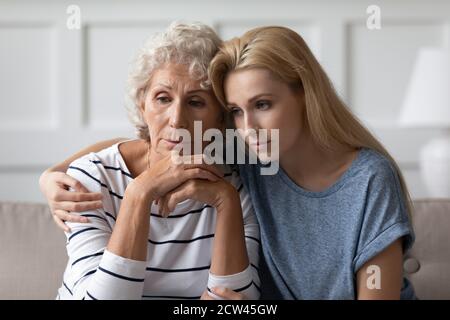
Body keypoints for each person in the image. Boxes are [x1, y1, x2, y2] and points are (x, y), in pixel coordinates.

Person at [41, 25, 415, 300]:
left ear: (305, 94)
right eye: (236, 110)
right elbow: (154, 142)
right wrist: (52, 175)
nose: (248, 126)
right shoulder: (250, 155)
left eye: (263, 104)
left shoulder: (365, 179)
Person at [44, 22, 260, 300]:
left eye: (196, 102)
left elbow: (237, 302)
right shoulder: (92, 179)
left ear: (221, 118)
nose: (177, 119)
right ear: (142, 104)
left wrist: (225, 200)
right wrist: (139, 193)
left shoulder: (236, 188)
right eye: (162, 98)